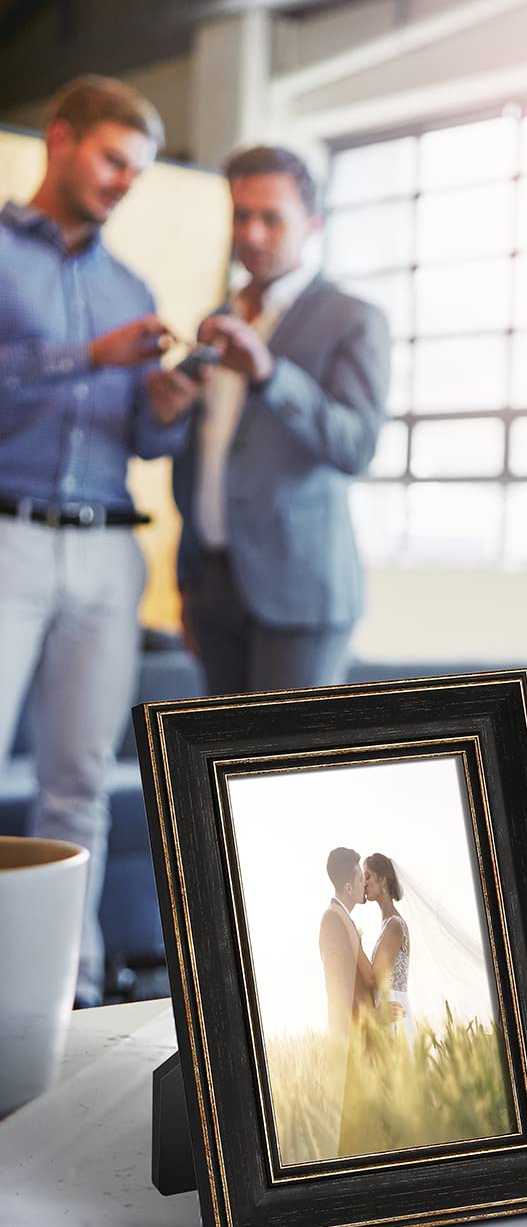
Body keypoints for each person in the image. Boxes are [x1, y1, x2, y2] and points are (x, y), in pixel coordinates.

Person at [0, 74, 200, 1007]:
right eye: (115, 160)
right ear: (62, 138)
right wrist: (87, 356)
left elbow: (145, 442)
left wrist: (166, 407)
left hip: (108, 552)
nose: (125, 182)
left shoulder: (131, 286)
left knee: (78, 784)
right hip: (10, 538)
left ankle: (64, 990)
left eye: (139, 171)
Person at [172, 144, 389, 696]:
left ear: (312, 223)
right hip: (213, 586)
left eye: (272, 217)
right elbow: (201, 456)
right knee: (220, 774)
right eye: (242, 215)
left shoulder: (354, 319)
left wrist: (272, 376)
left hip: (301, 589)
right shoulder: (215, 321)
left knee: (289, 776)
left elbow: (356, 446)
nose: (253, 233)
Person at [318, 845, 375, 1042]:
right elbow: (338, 986)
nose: (365, 884)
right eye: (361, 879)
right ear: (349, 888)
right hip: (353, 1038)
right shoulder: (332, 920)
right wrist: (372, 1017)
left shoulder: (342, 918)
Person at [361, 852, 416, 1048]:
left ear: (383, 880)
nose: (363, 881)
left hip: (392, 1013)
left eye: (367, 875)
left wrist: (355, 946)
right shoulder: (386, 924)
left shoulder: (394, 925)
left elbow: (375, 977)